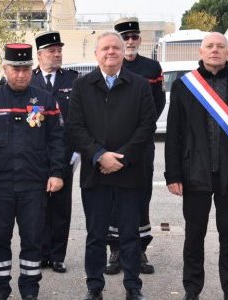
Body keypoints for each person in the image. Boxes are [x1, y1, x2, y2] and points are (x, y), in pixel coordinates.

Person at [165, 32, 228, 300]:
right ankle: (192, 290)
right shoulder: (184, 85)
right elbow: (174, 133)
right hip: (193, 173)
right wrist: (172, 174)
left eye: (220, 46)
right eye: (209, 46)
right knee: (194, 236)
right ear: (201, 52)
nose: (214, 50)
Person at [0, 43, 65, 300]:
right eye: (15, 69)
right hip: (0, 185)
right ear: (5, 68)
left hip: (34, 185)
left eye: (25, 69)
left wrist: (57, 172)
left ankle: (30, 291)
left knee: (32, 240)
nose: (20, 74)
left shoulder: (44, 100)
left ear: (32, 69)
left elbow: (57, 139)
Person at [68, 32, 156, 300]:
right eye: (105, 48)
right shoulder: (82, 86)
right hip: (95, 175)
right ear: (96, 54)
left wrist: (122, 159)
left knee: (130, 235)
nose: (111, 52)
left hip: (129, 174)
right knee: (96, 236)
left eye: (116, 48)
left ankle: (132, 286)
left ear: (123, 52)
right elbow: (75, 127)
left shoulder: (140, 85)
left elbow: (147, 126)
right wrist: (99, 155)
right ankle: (95, 288)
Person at [103, 17, 166, 275]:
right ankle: (116, 250)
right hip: (113, 145)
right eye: (125, 37)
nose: (130, 41)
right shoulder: (111, 67)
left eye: (134, 37)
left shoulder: (151, 67)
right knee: (113, 198)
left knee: (141, 196)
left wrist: (140, 132)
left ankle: (139, 250)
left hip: (141, 145)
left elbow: (157, 103)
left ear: (139, 39)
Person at [30, 31, 79, 274]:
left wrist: (77, 152)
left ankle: (58, 255)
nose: (57, 54)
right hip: (37, 157)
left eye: (59, 50)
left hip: (66, 155)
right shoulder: (29, 81)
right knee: (38, 208)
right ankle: (40, 254)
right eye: (51, 51)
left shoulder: (74, 80)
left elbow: (81, 119)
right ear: (39, 55)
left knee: (60, 208)